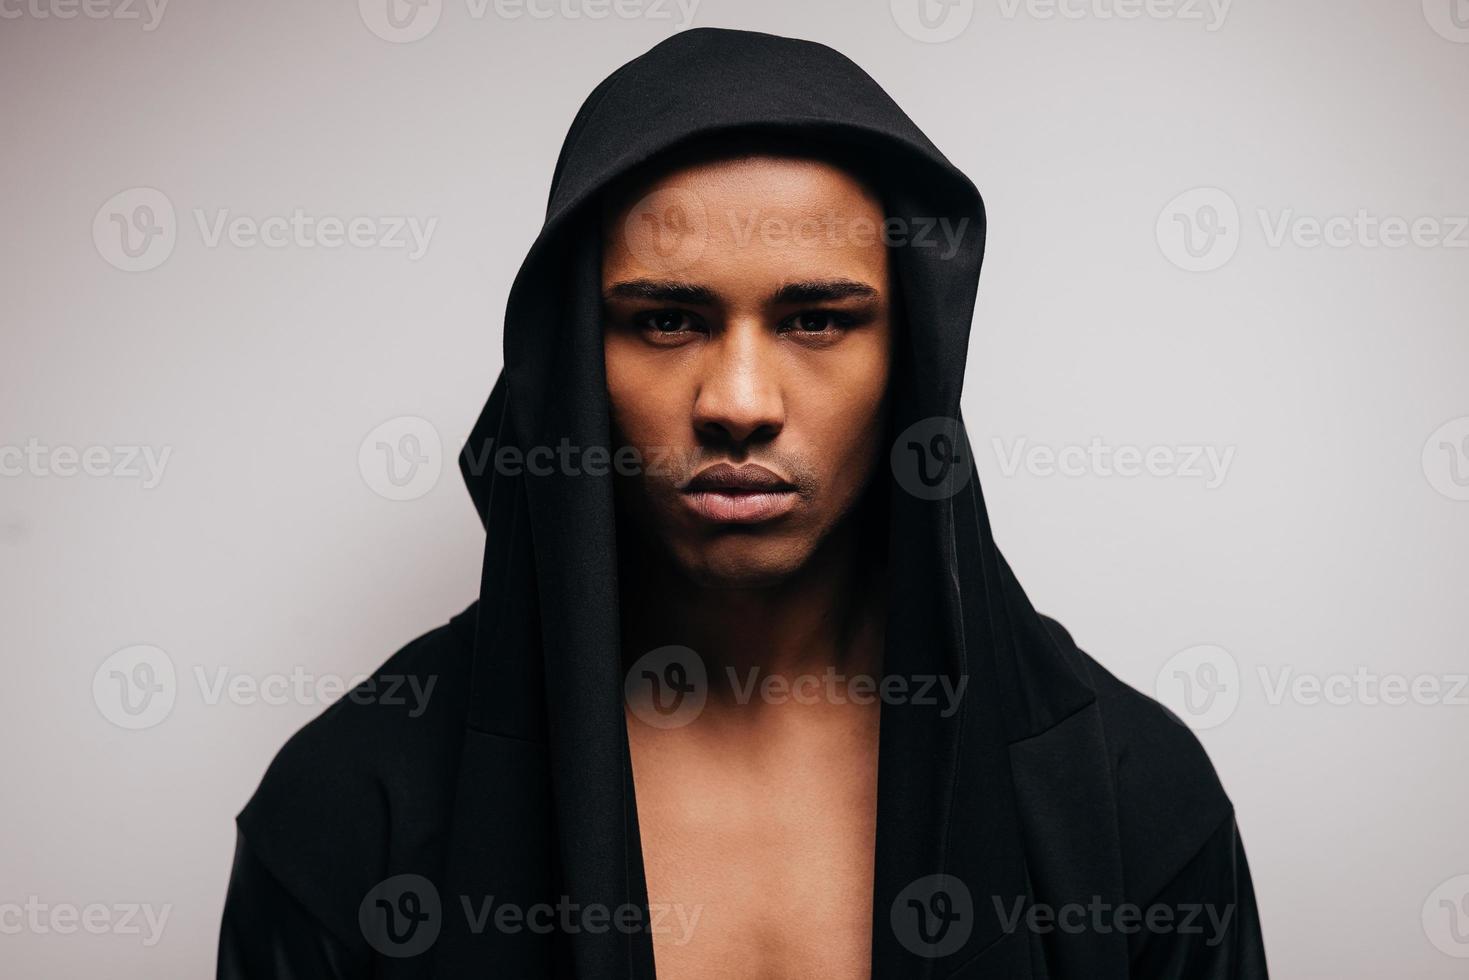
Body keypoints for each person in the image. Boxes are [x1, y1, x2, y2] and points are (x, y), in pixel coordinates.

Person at [218, 27, 1268, 979]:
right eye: (667, 320)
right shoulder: (351, 813)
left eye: (815, 320)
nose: (737, 403)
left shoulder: (1128, 802)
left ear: (911, 358)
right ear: (573, 359)